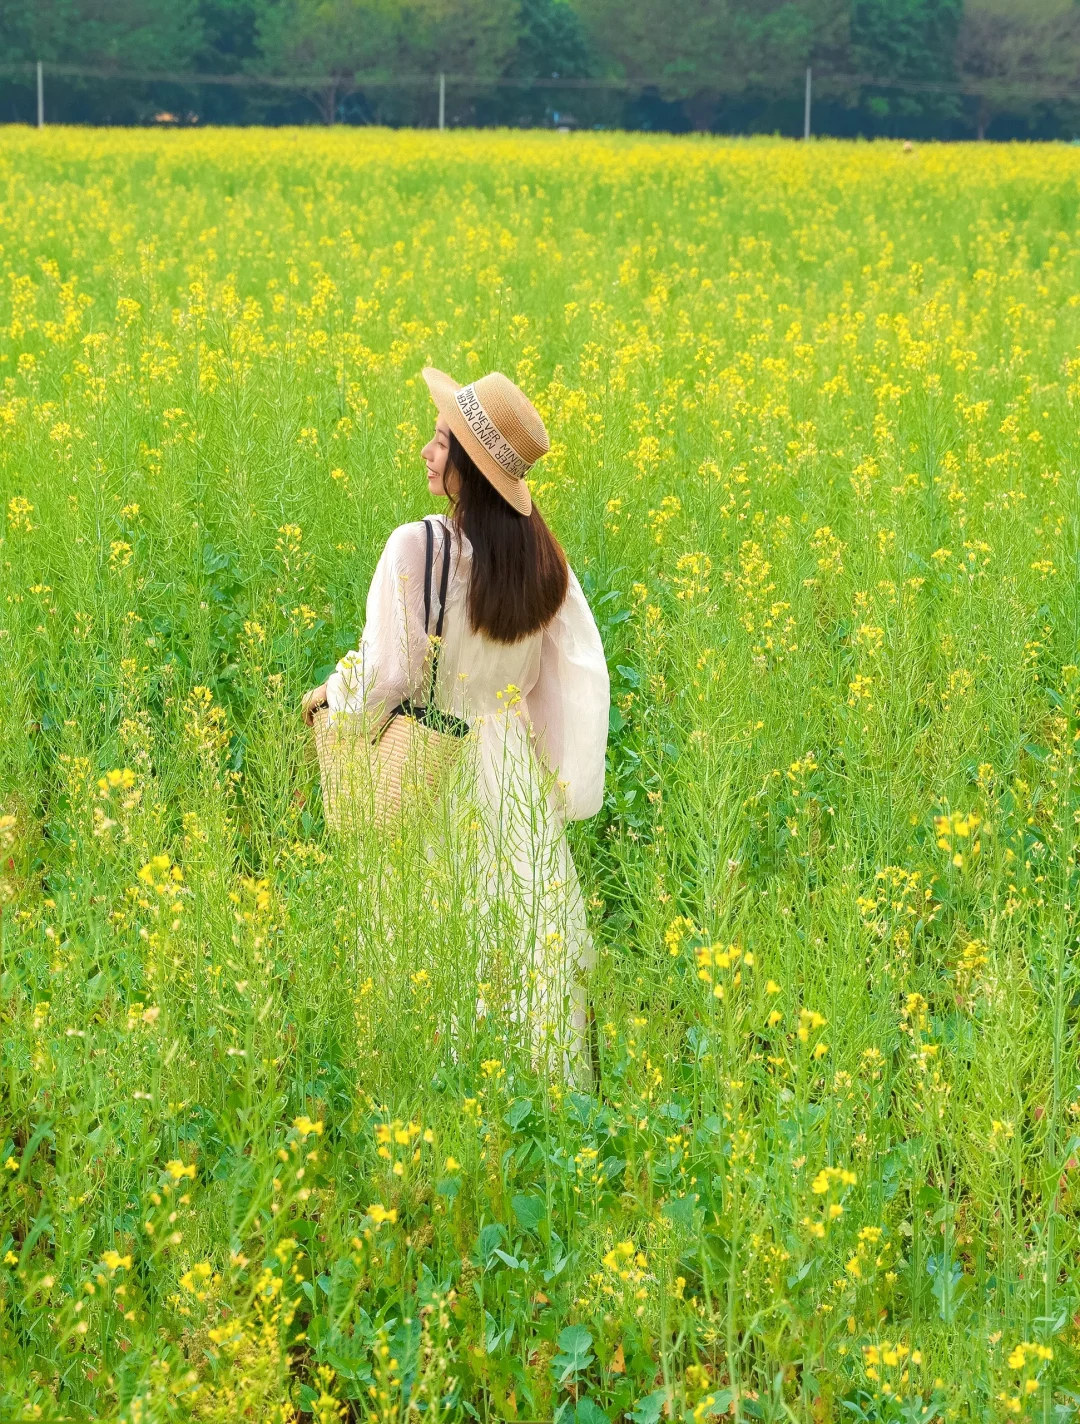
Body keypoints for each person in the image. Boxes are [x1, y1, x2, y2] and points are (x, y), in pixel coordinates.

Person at [302, 367, 609, 1082]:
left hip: (428, 764)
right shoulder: (544, 560)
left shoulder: (417, 545)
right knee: (522, 944)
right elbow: (570, 685)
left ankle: (434, 1100)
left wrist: (329, 697)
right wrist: (553, 789)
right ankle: (537, 1107)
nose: (426, 451)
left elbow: (393, 675)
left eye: (440, 441)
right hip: (511, 780)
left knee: (427, 941)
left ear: (468, 467)